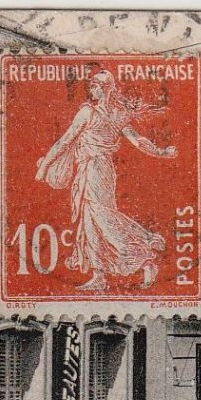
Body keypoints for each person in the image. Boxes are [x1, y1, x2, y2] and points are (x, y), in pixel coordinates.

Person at [34, 70, 178, 291]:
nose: (92, 90)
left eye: (95, 86)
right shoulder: (118, 113)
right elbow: (138, 141)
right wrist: (160, 152)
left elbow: (65, 141)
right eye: (92, 86)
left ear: (104, 88)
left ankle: (144, 256)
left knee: (101, 218)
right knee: (91, 221)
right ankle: (99, 274)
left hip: (93, 168)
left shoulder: (88, 113)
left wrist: (44, 166)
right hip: (99, 170)